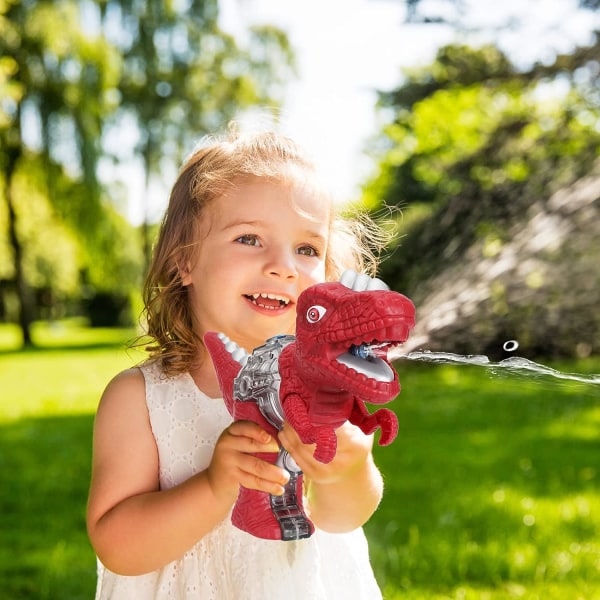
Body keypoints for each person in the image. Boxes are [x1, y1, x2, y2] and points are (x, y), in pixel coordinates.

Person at [86, 126, 390, 599]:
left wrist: (348, 472)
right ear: (185, 261)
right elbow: (116, 544)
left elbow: (340, 519)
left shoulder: (325, 386)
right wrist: (214, 486)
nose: (283, 265)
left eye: (307, 249)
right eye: (250, 238)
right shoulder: (140, 398)